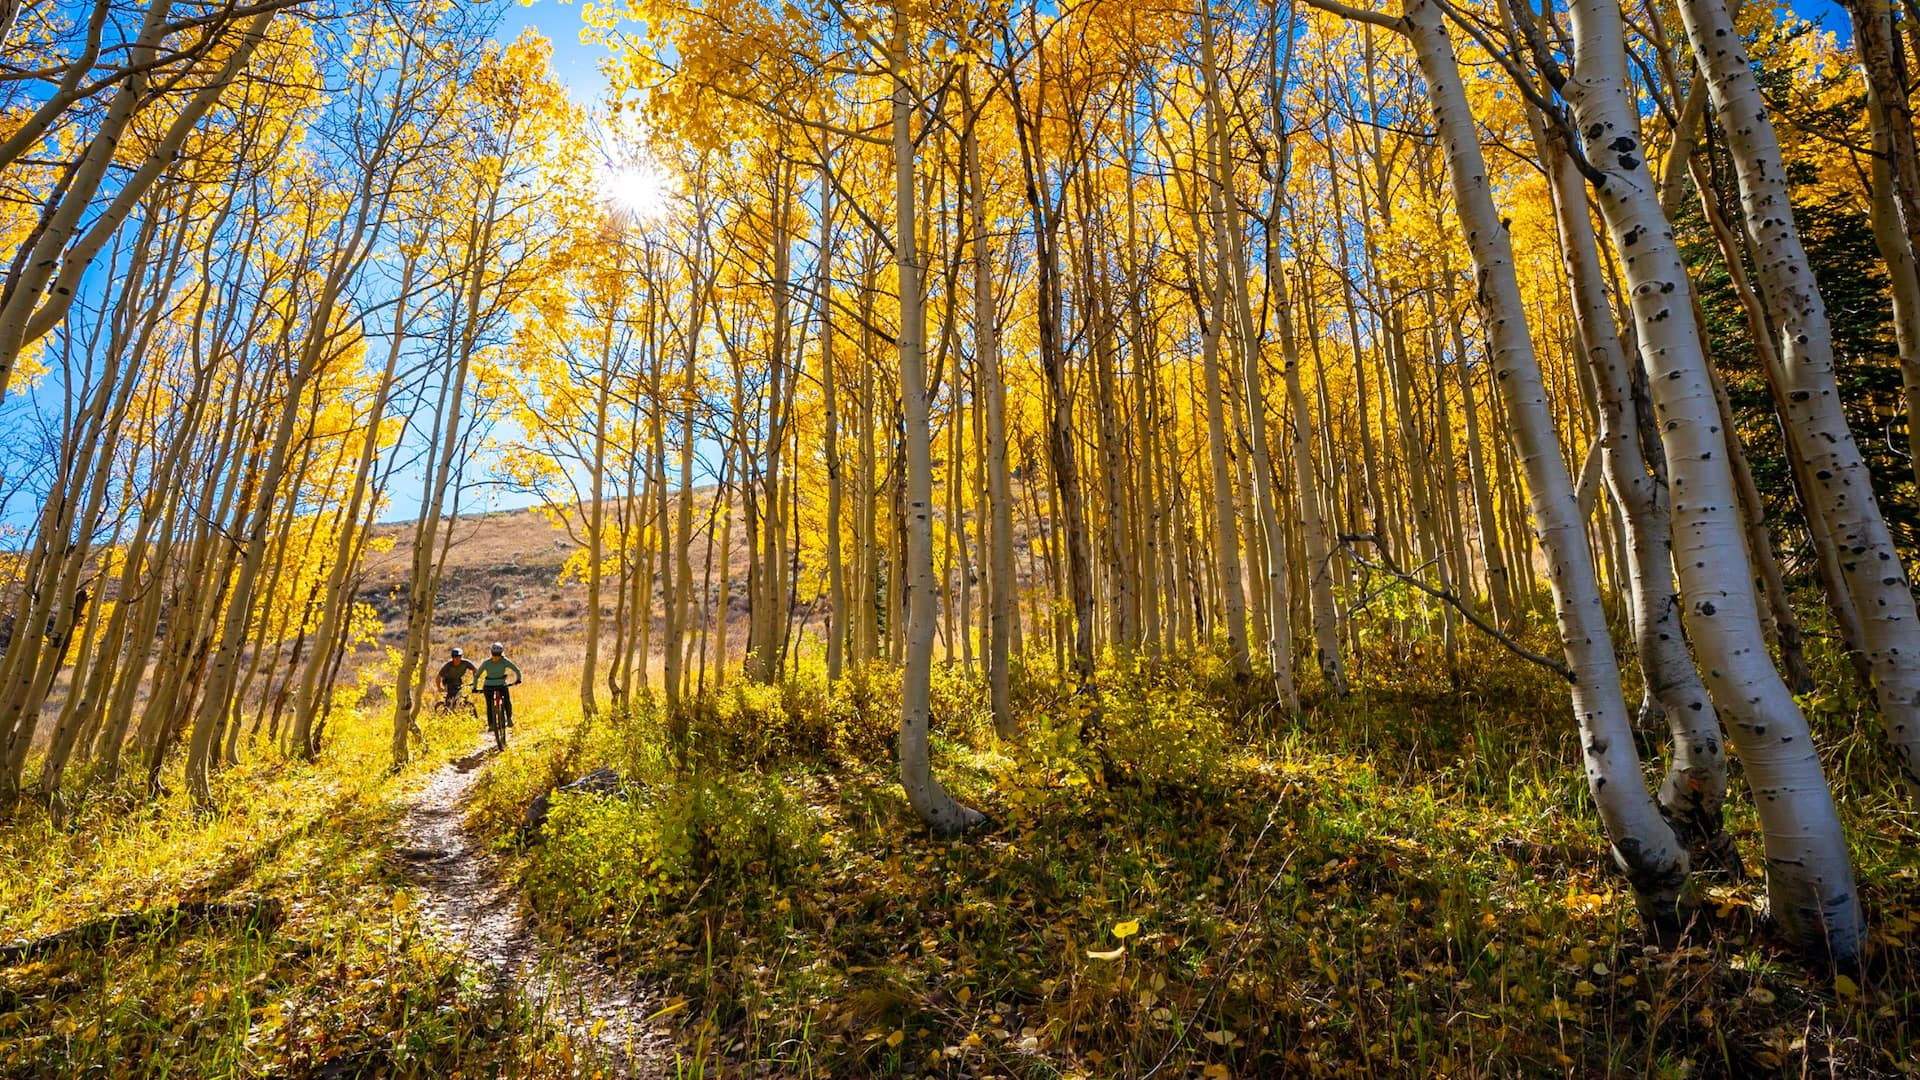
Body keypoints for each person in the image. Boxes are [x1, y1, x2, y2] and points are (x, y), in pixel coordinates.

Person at [474, 642, 522, 730]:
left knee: (491, 704)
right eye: (495, 654)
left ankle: (493, 724)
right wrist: (518, 680)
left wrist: (475, 688)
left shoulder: (487, 663)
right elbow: (517, 670)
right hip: (500, 685)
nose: (496, 657)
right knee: (505, 701)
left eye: (498, 655)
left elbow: (477, 676)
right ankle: (508, 719)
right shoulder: (504, 661)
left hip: (489, 686)